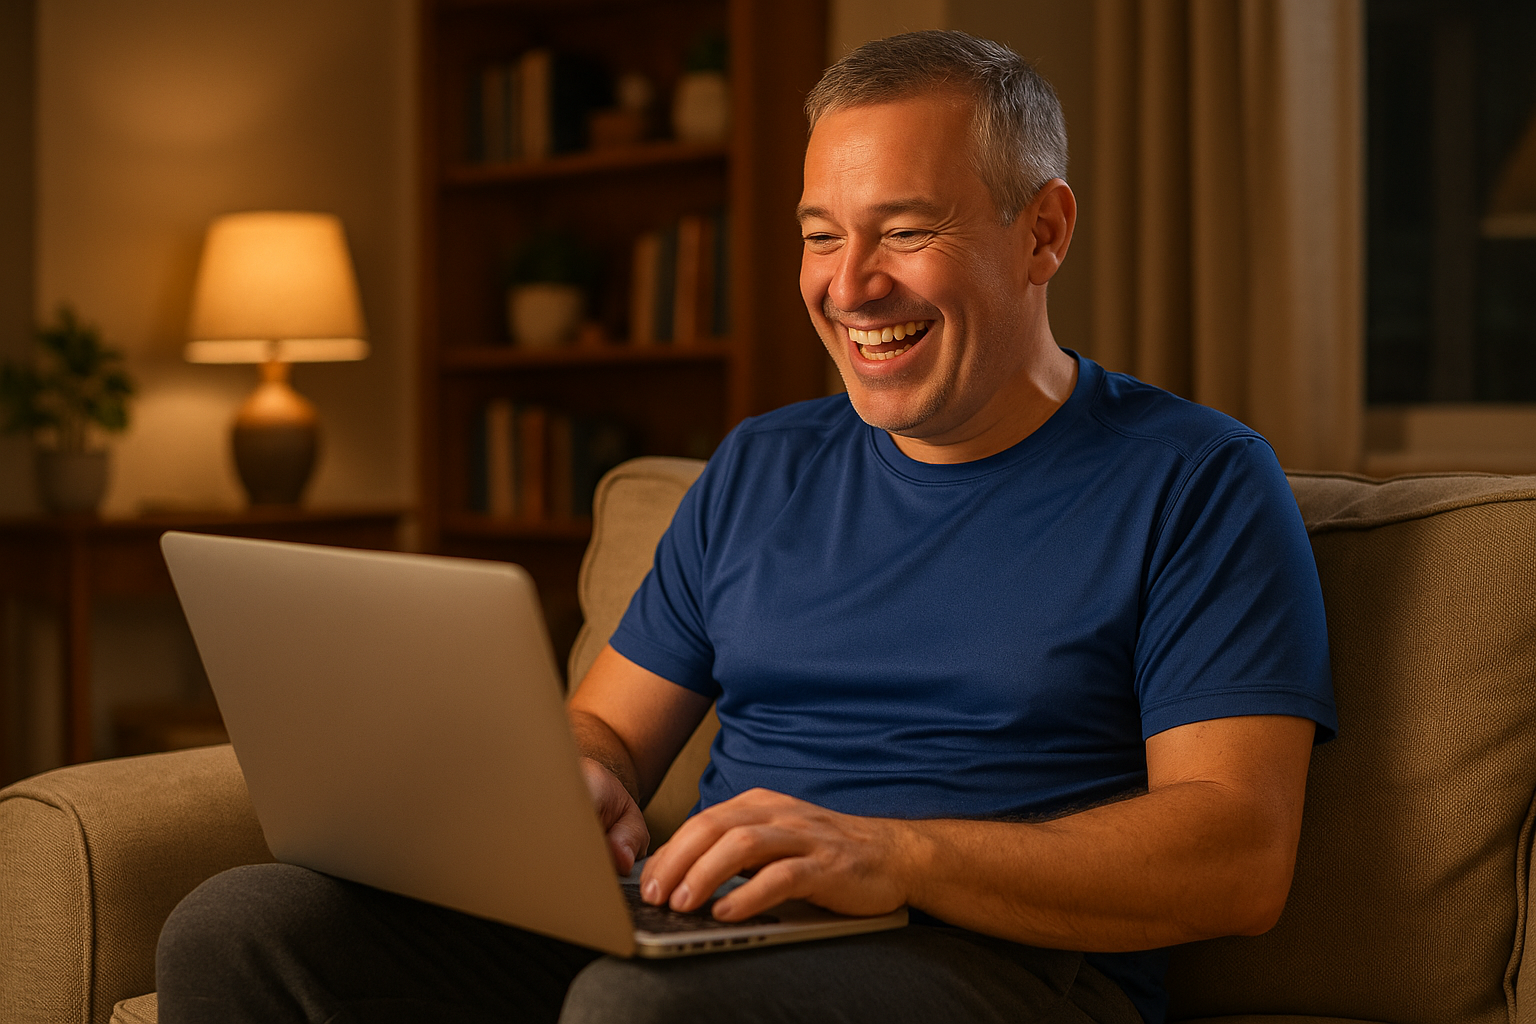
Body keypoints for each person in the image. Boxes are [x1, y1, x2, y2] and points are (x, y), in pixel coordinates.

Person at [157, 30, 1335, 1024]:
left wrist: (893, 853)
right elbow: (608, 732)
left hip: (996, 961)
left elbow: (1236, 853)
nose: (850, 284)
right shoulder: (761, 465)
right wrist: (581, 779)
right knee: (247, 925)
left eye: (907, 230)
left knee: (636, 1009)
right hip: (707, 933)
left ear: (1044, 233)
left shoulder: (1198, 480)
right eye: (823, 234)